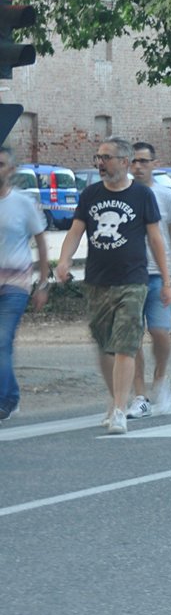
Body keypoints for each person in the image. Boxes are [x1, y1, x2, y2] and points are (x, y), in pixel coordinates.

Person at [54, 138, 171, 435]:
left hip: (133, 280)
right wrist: (64, 261)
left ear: (123, 160)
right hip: (96, 281)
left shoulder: (142, 195)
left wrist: (167, 279)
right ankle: (114, 396)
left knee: (125, 345)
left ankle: (120, 408)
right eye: (98, 157)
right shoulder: (90, 194)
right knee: (105, 347)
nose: (100, 163)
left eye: (106, 157)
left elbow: (156, 239)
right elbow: (76, 231)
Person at [127, 142, 171, 418]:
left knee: (160, 333)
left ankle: (160, 378)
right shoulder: (123, 195)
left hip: (158, 275)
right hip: (128, 277)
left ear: (154, 163)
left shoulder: (166, 196)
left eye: (143, 161)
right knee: (130, 339)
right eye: (134, 162)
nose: (138, 167)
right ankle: (139, 396)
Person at [0, 147, 51, 422]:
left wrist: (43, 283)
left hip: (16, 283)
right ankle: (12, 395)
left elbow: (42, 241)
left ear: (12, 170)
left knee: (2, 341)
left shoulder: (23, 203)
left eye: (0, 164)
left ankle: (4, 401)